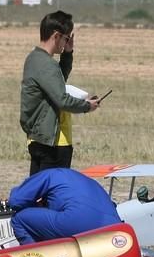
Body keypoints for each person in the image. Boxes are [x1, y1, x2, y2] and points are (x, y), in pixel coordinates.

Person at [20, 10, 100, 176]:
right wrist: (87, 106)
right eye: (66, 38)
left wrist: (67, 54)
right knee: (52, 194)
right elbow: (62, 100)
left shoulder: (34, 58)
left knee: (37, 192)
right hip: (54, 143)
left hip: (39, 138)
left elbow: (56, 82)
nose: (67, 42)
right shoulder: (47, 65)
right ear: (56, 36)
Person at [8, 168, 121, 245]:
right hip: (114, 227)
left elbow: (15, 200)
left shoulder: (49, 175)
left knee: (19, 219)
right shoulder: (83, 180)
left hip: (76, 221)